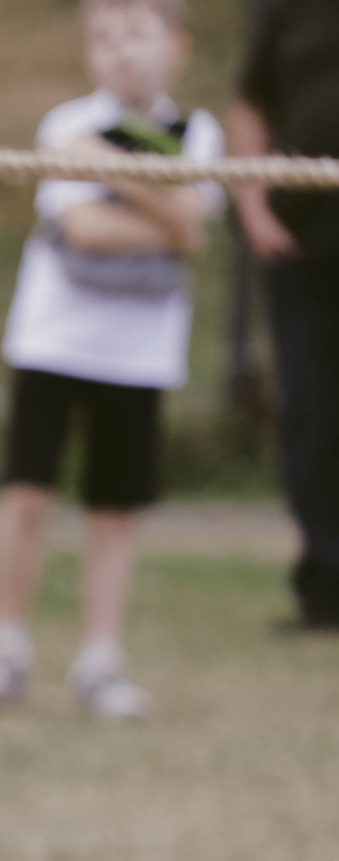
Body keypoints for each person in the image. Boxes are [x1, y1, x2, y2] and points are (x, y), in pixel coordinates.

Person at [0, 0, 222, 719]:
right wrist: (161, 204)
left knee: (114, 512)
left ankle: (101, 661)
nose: (121, 52)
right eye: (104, 38)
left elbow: (193, 228)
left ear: (175, 45)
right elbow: (85, 227)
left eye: (136, 35)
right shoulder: (62, 126)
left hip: (139, 354)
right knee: (26, 494)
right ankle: (6, 647)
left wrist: (107, 167)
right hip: (53, 339)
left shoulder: (197, 133)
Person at [230, 0, 339, 629]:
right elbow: (251, 102)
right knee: (314, 414)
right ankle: (324, 591)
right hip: (300, 241)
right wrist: (254, 208)